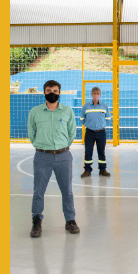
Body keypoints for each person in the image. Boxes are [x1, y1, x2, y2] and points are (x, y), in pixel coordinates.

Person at [27, 80, 79, 238]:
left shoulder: (67, 111)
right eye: (49, 90)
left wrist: (63, 146)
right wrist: (41, 146)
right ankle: (37, 220)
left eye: (55, 91)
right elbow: (31, 132)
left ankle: (70, 220)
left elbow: (72, 133)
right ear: (44, 92)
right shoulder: (35, 112)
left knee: (67, 191)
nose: (52, 93)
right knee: (38, 191)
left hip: (64, 156)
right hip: (42, 156)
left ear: (59, 93)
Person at [80, 86, 112, 178]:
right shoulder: (85, 106)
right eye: (94, 93)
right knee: (88, 151)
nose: (96, 95)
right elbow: (82, 119)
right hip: (89, 132)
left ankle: (102, 170)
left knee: (101, 151)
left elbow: (108, 118)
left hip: (101, 132)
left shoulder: (104, 106)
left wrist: (102, 125)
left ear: (100, 95)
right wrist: (88, 125)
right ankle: (87, 170)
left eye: (97, 93)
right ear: (91, 94)